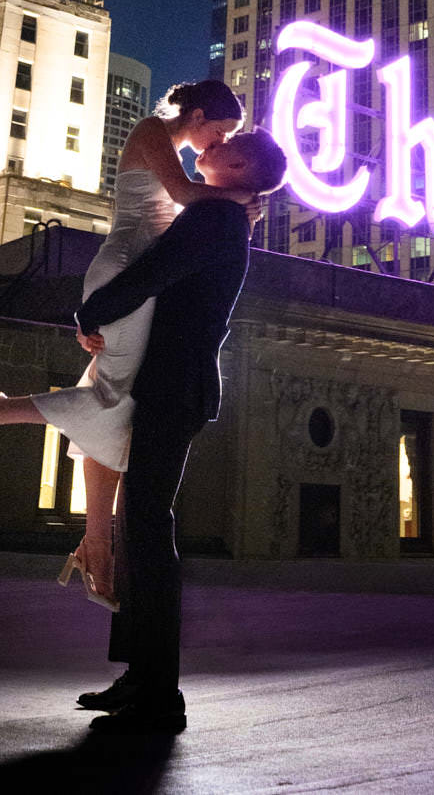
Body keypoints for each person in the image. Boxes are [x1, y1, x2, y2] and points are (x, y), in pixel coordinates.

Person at [0, 79, 250, 606]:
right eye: (218, 131)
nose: (217, 144)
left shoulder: (174, 149)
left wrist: (235, 209)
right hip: (125, 275)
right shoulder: (153, 132)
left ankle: (96, 543)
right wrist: (237, 196)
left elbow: (192, 219)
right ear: (196, 115)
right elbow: (185, 196)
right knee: (112, 397)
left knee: (114, 399)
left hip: (133, 278)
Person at [76, 126, 287, 736]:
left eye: (226, 143)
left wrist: (90, 312)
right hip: (172, 383)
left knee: (146, 525)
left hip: (175, 385)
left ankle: (159, 691)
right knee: (138, 523)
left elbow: (152, 274)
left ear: (238, 164)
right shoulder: (222, 215)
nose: (211, 144)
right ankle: (141, 677)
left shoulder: (217, 219)